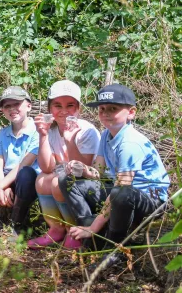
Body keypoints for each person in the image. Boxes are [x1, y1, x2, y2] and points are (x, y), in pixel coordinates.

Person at [64, 84, 169, 268]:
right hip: (121, 193)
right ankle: (92, 238)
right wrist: (84, 170)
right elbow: (100, 173)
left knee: (121, 192)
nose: (105, 113)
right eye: (102, 109)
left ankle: (114, 250)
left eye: (113, 109)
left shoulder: (129, 143)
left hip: (150, 199)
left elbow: (122, 187)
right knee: (69, 182)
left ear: (131, 112)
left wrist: (94, 227)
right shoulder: (106, 135)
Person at [28, 80, 101, 250]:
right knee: (42, 180)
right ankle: (56, 229)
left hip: (88, 182)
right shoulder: (52, 130)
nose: (63, 111)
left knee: (56, 182)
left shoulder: (87, 131)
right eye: (57, 105)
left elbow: (84, 167)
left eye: (70, 106)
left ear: (78, 109)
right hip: (65, 179)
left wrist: (70, 140)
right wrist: (43, 135)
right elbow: (47, 167)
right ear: (49, 109)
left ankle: (73, 230)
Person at [0, 86, 40, 235]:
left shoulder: (38, 131)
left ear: (29, 106)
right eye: (7, 106)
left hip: (27, 180)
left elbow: (25, 163)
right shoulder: (3, 133)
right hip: (7, 178)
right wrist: (3, 185)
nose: (12, 109)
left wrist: (1, 186)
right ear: (3, 111)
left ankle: (16, 224)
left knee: (26, 174)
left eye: (17, 104)